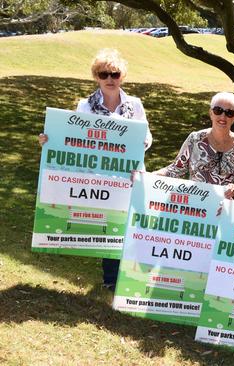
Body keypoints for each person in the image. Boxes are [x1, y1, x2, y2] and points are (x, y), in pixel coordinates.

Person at [38, 48, 153, 291]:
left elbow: (147, 136)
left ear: (122, 76)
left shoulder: (135, 105)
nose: (110, 79)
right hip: (101, 178)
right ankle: (112, 279)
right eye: (104, 74)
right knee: (112, 223)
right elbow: (72, 138)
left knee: (132, 223)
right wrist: (50, 140)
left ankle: (135, 278)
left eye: (115, 73)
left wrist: (143, 141)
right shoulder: (85, 106)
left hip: (131, 174)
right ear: (96, 77)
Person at [154, 92, 234, 199]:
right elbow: (176, 169)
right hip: (195, 206)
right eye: (218, 111)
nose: (223, 116)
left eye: (229, 113)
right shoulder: (195, 139)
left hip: (226, 210)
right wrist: (150, 176)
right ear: (211, 113)